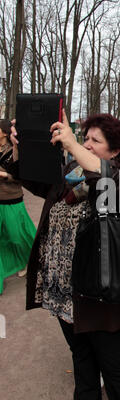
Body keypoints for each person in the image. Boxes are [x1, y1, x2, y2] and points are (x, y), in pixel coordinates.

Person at [8, 111, 120, 400]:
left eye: (94, 141)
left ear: (115, 150)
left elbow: (108, 181)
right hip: (65, 293)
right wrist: (24, 147)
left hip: (103, 293)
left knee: (116, 370)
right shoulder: (72, 172)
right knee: (82, 359)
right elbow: (36, 182)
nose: (85, 144)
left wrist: (72, 145)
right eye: (84, 138)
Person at [0, 119, 36, 294]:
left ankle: (33, 258)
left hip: (12, 200)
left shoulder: (13, 151)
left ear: (5, 132)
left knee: (18, 235)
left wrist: (3, 174)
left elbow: (21, 177)